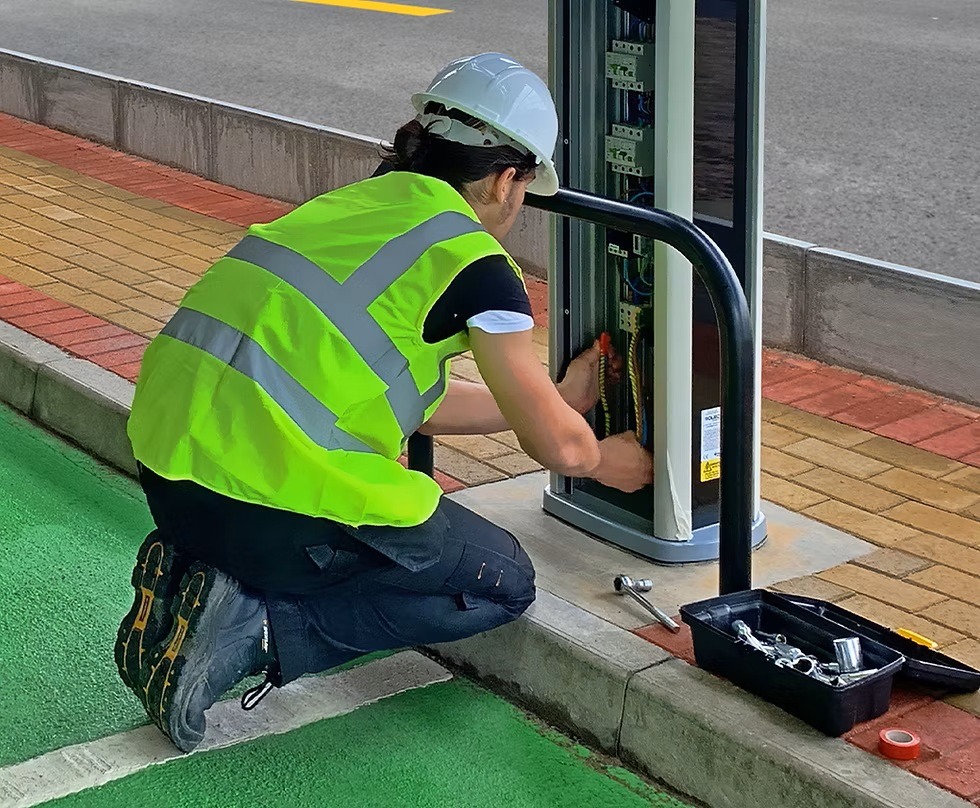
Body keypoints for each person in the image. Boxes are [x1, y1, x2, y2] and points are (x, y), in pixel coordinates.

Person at [114, 53, 654, 753]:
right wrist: (609, 458)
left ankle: (203, 576)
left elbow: (411, 402)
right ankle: (257, 629)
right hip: (266, 504)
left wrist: (553, 398)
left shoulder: (348, 208)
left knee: (381, 532)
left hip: (167, 476)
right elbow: (561, 450)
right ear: (506, 178)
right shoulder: (476, 265)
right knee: (503, 582)